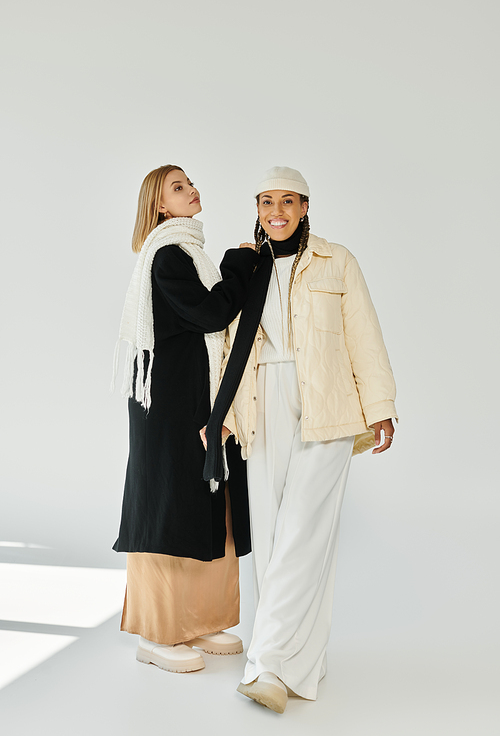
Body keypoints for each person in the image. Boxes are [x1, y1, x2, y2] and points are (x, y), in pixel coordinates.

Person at [203, 166, 397, 712]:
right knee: (268, 536)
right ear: (258, 209)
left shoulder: (337, 261)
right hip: (262, 397)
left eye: (288, 201)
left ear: (305, 207)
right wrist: (219, 413)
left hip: (328, 403)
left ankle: (266, 667)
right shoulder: (248, 263)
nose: (277, 212)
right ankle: (303, 659)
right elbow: (226, 342)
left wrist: (381, 407)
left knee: (303, 531)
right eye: (267, 202)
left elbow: (364, 333)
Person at [112, 164, 257, 674]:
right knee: (169, 507)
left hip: (196, 401)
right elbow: (213, 313)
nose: (192, 189)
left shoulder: (190, 253)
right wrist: (240, 263)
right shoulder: (169, 255)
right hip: (168, 409)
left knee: (206, 502)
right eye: (178, 187)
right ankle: (157, 633)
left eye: (190, 182)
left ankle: (199, 619)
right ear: (159, 205)